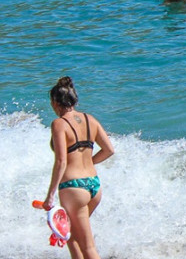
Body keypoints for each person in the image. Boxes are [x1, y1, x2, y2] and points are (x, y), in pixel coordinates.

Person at [43, 77, 114, 259]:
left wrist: (50, 196)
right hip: (93, 185)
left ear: (55, 103)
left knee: (88, 247)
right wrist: (89, 162)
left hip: (73, 188)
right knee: (71, 236)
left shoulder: (59, 124)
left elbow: (61, 161)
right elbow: (109, 150)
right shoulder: (90, 119)